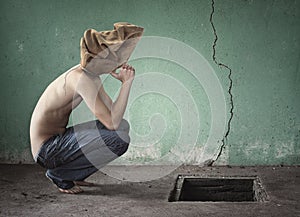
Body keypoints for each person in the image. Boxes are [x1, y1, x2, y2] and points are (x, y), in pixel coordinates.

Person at [29, 22, 144, 194]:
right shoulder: (81, 79)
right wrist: (127, 84)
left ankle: (73, 173)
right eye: (114, 58)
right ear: (99, 59)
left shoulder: (92, 76)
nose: (120, 63)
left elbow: (114, 115)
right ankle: (59, 174)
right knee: (118, 140)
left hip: (59, 140)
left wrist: (124, 82)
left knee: (123, 127)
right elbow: (111, 123)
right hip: (47, 149)